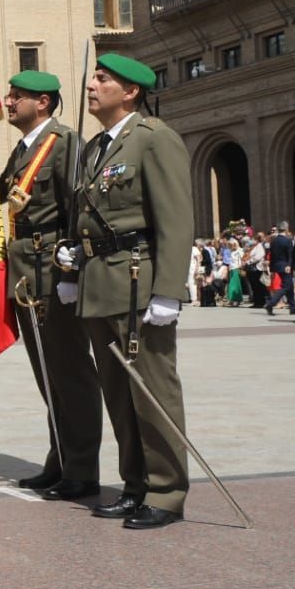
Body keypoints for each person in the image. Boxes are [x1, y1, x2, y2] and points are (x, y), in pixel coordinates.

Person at [56, 54, 192, 530]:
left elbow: (175, 219)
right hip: (102, 284)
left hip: (139, 283)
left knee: (153, 391)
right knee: (118, 394)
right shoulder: (95, 149)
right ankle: (135, 486)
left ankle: (167, 492)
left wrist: (169, 291)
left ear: (131, 91)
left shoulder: (153, 139)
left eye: (102, 78)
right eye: (92, 76)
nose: (91, 85)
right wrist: (73, 264)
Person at [0, 70, 104, 500]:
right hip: (25, 274)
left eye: (16, 96)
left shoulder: (63, 145)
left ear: (43, 102)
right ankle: (60, 459)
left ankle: (82, 470)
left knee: (70, 373)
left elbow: (77, 209)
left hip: (51, 274)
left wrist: (72, 274)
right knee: (48, 375)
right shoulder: (24, 151)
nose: (7, 101)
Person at [265, 222, 295, 316]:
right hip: (285, 266)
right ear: (286, 229)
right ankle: (270, 304)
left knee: (289, 286)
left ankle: (293, 308)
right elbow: (290, 255)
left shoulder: (273, 241)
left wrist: (272, 268)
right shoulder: (287, 240)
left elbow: (272, 256)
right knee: (286, 287)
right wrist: (289, 265)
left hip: (276, 266)